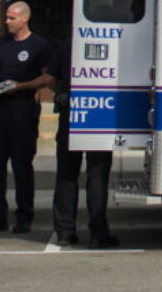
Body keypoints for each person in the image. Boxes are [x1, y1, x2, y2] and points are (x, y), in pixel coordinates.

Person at [0, 1, 52, 235]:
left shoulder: (39, 45)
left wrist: (21, 86)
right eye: (6, 18)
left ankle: (24, 217)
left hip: (23, 109)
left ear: (25, 18)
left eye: (12, 18)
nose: (7, 22)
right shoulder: (0, 44)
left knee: (22, 166)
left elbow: (48, 78)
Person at [50, 37, 119, 248]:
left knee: (66, 174)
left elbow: (52, 78)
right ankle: (98, 234)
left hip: (71, 112)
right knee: (97, 176)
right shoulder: (112, 42)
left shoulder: (68, 44)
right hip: (100, 114)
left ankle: (64, 232)